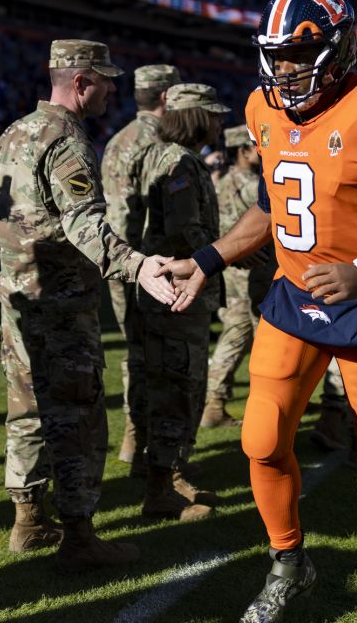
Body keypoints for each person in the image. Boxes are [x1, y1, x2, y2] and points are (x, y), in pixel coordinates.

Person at [159, 0, 357, 622]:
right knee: (260, 441)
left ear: (340, 47)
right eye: (278, 54)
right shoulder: (263, 112)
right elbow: (272, 208)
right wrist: (206, 260)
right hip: (293, 298)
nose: (286, 69)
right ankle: (289, 564)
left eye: (301, 52)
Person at [0, 40, 176, 570]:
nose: (113, 89)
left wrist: (12, 262)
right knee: (77, 415)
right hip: (60, 305)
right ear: (80, 82)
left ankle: (27, 518)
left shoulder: (14, 133)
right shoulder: (67, 141)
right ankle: (80, 536)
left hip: (18, 297)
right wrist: (136, 266)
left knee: (25, 410)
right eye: (105, 80)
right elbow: (83, 224)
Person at [134, 83, 229, 521]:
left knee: (175, 384)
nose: (219, 123)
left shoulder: (166, 155)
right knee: (178, 386)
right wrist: (226, 252)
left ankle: (168, 478)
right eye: (213, 114)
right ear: (195, 117)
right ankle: (163, 489)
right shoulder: (178, 161)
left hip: (173, 289)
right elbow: (185, 228)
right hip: (178, 290)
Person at [101, 64, 180, 469]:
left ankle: (135, 442)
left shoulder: (118, 141)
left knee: (136, 353)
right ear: (167, 97)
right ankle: (152, 452)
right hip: (149, 264)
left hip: (122, 262)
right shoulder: (159, 143)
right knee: (157, 358)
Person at [204, 124, 272, 429]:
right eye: (256, 148)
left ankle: (217, 402)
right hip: (251, 272)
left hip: (230, 270)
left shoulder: (222, 182)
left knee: (239, 334)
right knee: (245, 337)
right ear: (243, 152)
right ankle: (218, 403)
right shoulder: (249, 185)